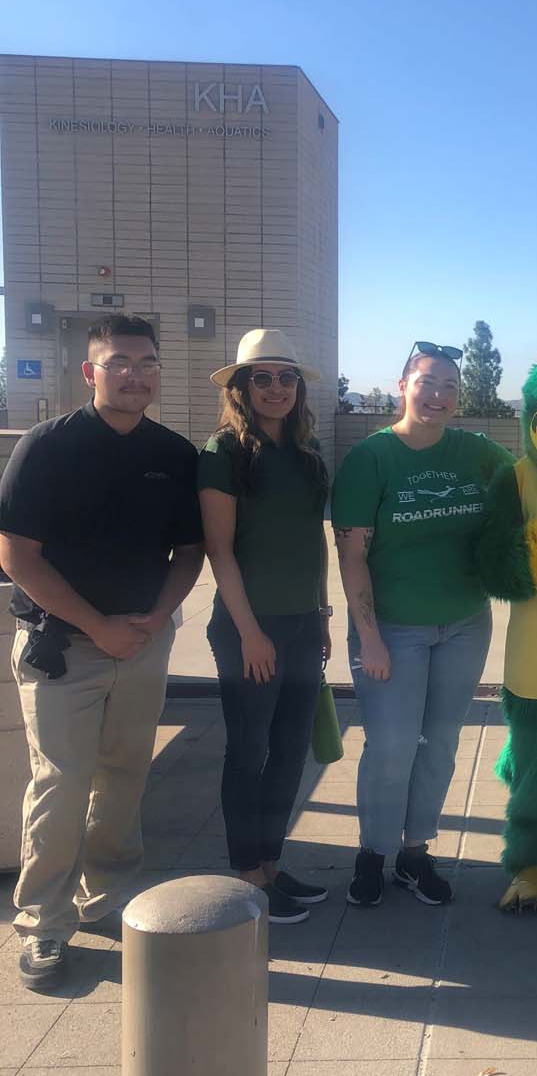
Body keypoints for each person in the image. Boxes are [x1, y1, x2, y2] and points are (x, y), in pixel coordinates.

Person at [0, 315, 205, 990]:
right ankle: (43, 925)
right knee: (60, 784)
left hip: (143, 640)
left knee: (124, 774)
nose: (136, 374)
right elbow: (17, 556)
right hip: (64, 645)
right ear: (90, 372)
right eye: (120, 361)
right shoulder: (47, 448)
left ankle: (108, 896)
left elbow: (188, 551)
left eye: (147, 362)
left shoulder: (173, 455)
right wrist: (99, 626)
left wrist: (156, 616)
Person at [331, 342, 513, 909]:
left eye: (450, 387)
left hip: (464, 624)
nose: (437, 395)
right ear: (403, 384)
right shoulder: (372, 459)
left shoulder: (478, 452)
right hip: (392, 630)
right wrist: (371, 639)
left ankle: (414, 853)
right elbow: (353, 556)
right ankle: (372, 853)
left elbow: (527, 496)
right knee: (391, 746)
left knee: (439, 744)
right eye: (427, 382)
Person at [200, 329, 333, 926]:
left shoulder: (307, 458)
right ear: (241, 386)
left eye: (286, 376)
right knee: (248, 752)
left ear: (298, 387)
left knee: (289, 754)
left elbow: (314, 544)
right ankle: (247, 875)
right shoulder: (222, 452)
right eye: (262, 376)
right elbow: (220, 551)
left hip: (304, 625)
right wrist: (251, 633)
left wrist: (323, 613)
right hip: (248, 630)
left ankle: (273, 865)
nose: (276, 387)